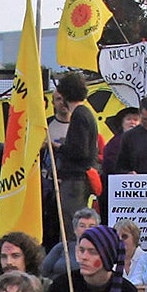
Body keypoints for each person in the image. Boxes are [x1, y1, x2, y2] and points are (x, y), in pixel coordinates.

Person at [49, 71, 101, 245]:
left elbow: (80, 151)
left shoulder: (79, 115)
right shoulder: (85, 114)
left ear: (64, 95)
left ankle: (73, 261)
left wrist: (58, 146)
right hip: (80, 179)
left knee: (72, 226)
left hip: (75, 181)